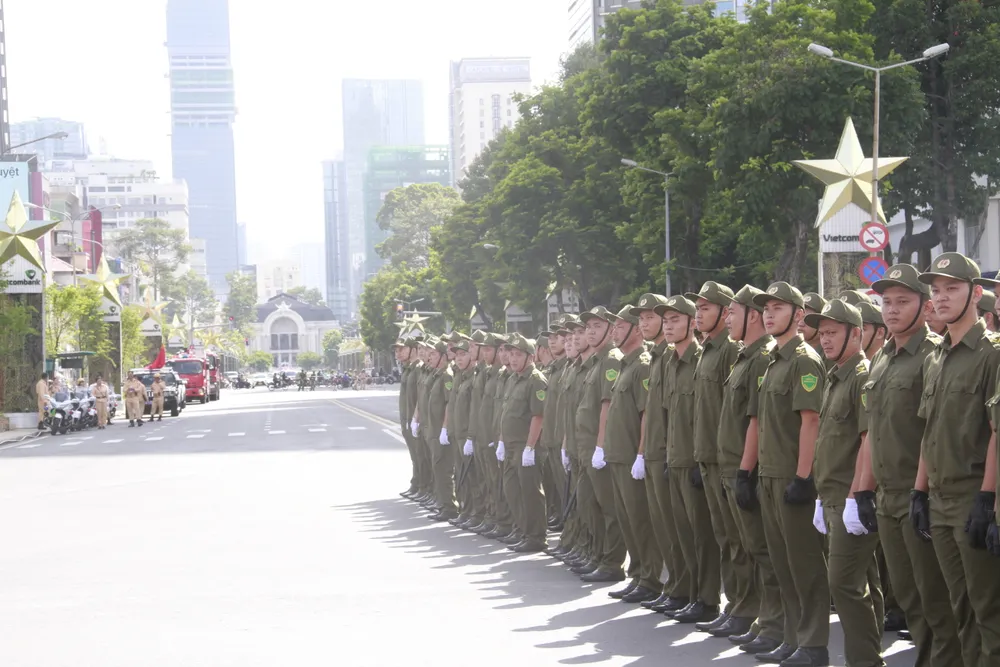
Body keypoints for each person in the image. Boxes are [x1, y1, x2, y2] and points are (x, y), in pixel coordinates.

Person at [864, 263, 965, 667]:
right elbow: (872, 430)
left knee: (935, 599)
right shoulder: (883, 358)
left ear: (925, 308)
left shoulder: (932, 356)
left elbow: (932, 432)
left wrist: (920, 492)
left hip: (918, 495)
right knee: (907, 597)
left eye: (902, 301)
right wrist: (863, 489)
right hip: (887, 497)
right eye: (886, 302)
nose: (891, 310)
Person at [918, 253, 1000, 664]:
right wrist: (920, 493)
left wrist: (988, 500)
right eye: (936, 290)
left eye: (952, 288)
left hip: (973, 498)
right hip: (939, 499)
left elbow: (997, 432)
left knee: (989, 612)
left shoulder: (992, 354)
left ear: (976, 293)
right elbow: (928, 432)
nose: (942, 297)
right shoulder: (937, 356)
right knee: (960, 607)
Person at [747, 282, 830, 666]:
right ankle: (794, 636)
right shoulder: (771, 361)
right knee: (781, 563)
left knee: (804, 564)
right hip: (769, 474)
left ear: (798, 315)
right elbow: (761, 422)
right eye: (766, 308)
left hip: (791, 477)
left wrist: (803, 477)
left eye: (778, 308)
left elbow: (810, 421)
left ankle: (813, 643)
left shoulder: (804, 359)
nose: (769, 313)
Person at [804, 299, 883, 667]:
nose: (826, 339)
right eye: (823, 333)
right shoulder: (836, 374)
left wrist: (856, 496)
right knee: (861, 581)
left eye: (834, 332)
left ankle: (865, 661)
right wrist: (823, 495)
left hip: (850, 497)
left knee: (845, 585)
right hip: (833, 495)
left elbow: (867, 439)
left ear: (858, 333)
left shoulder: (862, 377)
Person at [721, 286, 783, 654]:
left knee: (764, 551)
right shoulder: (747, 357)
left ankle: (773, 622)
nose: (728, 318)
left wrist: (746, 471)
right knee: (748, 547)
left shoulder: (762, 358)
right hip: (732, 464)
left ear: (752, 316)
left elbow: (757, 423)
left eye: (732, 312)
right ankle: (764, 617)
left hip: (753, 469)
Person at [686, 281, 744, 633]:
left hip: (728, 459)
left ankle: (743, 608)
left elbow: (732, 413)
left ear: (725, 313)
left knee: (739, 541)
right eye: (698, 307)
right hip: (707, 456)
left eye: (706, 308)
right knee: (724, 538)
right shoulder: (706, 349)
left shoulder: (728, 352)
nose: (699, 313)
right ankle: (733, 604)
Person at [660, 295, 719, 623]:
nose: (669, 327)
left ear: (691, 323)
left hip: (697, 459)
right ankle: (690, 593)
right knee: (683, 532)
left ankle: (708, 599)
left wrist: (699, 459)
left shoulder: (700, 359)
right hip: (676, 456)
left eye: (675, 320)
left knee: (703, 535)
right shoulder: (672, 362)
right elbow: (669, 414)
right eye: (665, 322)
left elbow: (706, 415)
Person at [602, 304, 660, 602]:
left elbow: (647, 413)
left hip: (630, 457)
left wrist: (640, 454)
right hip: (617, 454)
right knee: (628, 520)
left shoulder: (643, 365)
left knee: (640, 520)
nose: (614, 331)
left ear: (635, 330)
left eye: (620, 326)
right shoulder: (626, 364)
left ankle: (650, 578)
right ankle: (638, 574)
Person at [578, 306, 627, 583]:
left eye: (598, 326)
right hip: (585, 447)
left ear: (610, 329)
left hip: (598, 448)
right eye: (589, 327)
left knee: (608, 508)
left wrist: (600, 446)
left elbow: (607, 406)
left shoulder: (610, 360)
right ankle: (597, 555)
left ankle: (612, 562)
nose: (591, 331)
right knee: (589, 504)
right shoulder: (595, 361)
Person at [498, 333, 549, 552]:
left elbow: (539, 416)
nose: (513, 358)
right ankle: (522, 530)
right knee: (512, 489)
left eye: (518, 354)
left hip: (525, 446)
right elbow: (506, 412)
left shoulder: (535, 380)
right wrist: (501, 441)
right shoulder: (513, 378)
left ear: (530, 357)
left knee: (530, 492)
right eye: (511, 354)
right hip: (510, 445)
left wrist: (530, 447)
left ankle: (536, 536)